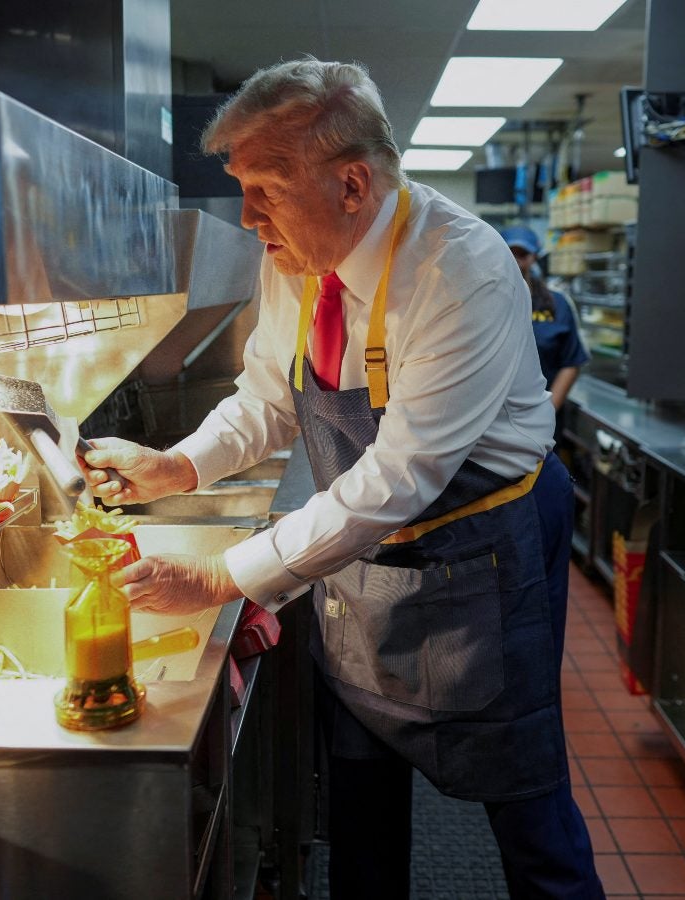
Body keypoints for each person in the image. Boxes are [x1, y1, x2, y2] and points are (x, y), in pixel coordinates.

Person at [82, 58, 605, 899]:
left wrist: (223, 576)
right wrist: (178, 464)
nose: (248, 217)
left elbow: (403, 473)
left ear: (353, 184)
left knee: (524, 800)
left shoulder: (457, 269)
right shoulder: (294, 257)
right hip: (360, 554)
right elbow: (267, 397)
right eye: (242, 188)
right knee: (362, 798)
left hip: (482, 554)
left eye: (267, 188)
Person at [501, 225, 590, 412]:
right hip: (493, 419)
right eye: (510, 254)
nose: (516, 262)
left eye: (522, 254)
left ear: (534, 257)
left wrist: (546, 414)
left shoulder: (557, 304)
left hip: (541, 416)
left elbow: (571, 362)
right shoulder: (486, 301)